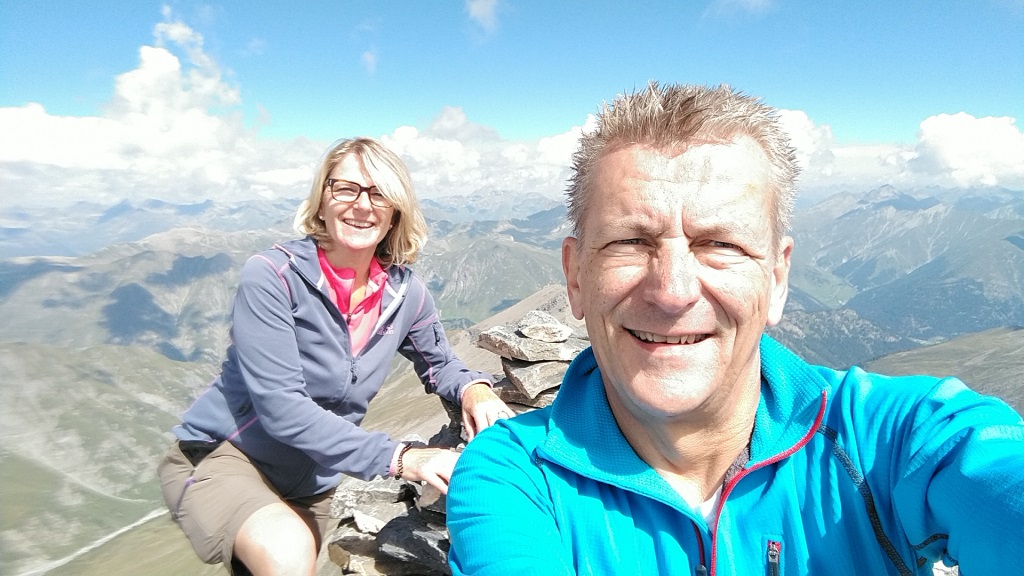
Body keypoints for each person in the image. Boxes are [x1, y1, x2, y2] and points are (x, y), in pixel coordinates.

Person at [446, 83, 1024, 575]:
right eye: (630, 241)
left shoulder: (898, 437)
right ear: (575, 276)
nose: (672, 291)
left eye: (720, 244)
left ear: (777, 278)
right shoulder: (513, 479)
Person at [158, 137, 512, 576]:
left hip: (313, 482)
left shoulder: (406, 294)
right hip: (225, 456)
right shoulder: (273, 277)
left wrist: (475, 389)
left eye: (379, 193)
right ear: (322, 200)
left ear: (395, 212)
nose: (361, 205)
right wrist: (405, 458)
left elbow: (439, 363)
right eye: (345, 188)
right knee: (286, 551)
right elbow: (282, 407)